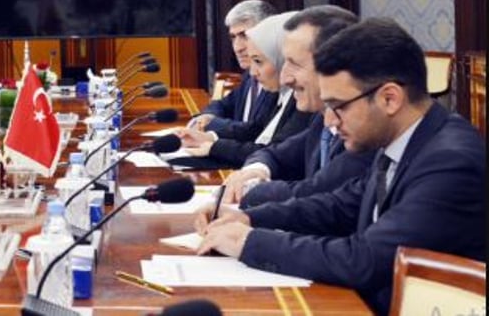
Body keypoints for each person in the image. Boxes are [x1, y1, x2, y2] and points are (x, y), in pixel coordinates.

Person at [195, 19, 485, 315]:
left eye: (338, 106)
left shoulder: (450, 163)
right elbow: (341, 205)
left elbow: (364, 260)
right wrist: (248, 218)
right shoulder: (402, 137)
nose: (330, 121)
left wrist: (249, 242)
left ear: (389, 98)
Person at [217, 5, 373, 207]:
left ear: (333, 65)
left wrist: (248, 192)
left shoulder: (365, 128)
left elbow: (316, 191)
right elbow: (275, 154)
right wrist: (255, 170)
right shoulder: (321, 119)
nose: (284, 78)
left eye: (294, 64)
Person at [177, 12, 313, 168]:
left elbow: (278, 154)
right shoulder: (276, 90)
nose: (253, 72)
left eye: (258, 61)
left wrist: (214, 147)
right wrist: (208, 137)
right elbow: (254, 129)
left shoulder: (306, 100)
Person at [186, 0, 279, 132]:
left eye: (244, 36)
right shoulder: (249, 76)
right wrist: (206, 117)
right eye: (233, 37)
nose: (237, 47)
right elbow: (222, 105)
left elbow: (255, 130)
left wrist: (210, 125)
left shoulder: (276, 77)